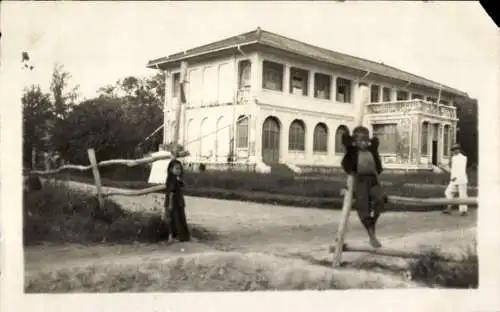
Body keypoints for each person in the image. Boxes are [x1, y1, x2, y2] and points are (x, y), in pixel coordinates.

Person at [341, 126, 387, 248]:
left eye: (366, 141)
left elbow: (378, 167)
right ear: (356, 141)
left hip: (373, 180)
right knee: (363, 208)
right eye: (361, 141)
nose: (364, 143)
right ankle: (372, 236)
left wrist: (373, 145)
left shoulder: (371, 151)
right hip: (360, 181)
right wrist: (351, 143)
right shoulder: (353, 152)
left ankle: (373, 223)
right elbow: (347, 164)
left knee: (380, 200)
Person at [163, 158, 191, 242]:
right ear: (171, 169)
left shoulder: (174, 178)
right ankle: (178, 237)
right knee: (177, 221)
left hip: (177, 203)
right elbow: (171, 192)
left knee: (176, 220)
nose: (179, 170)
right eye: (177, 168)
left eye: (180, 168)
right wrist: (170, 204)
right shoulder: (172, 179)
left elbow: (179, 186)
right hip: (174, 203)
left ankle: (175, 237)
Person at [443, 143, 469, 216]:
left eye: (455, 149)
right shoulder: (454, 158)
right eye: (453, 150)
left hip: (461, 179)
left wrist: (454, 176)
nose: (454, 151)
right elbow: (453, 169)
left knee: (462, 195)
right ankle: (449, 208)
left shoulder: (463, 158)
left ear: (459, 150)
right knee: (448, 192)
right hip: (454, 179)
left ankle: (463, 211)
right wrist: (446, 167)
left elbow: (460, 169)